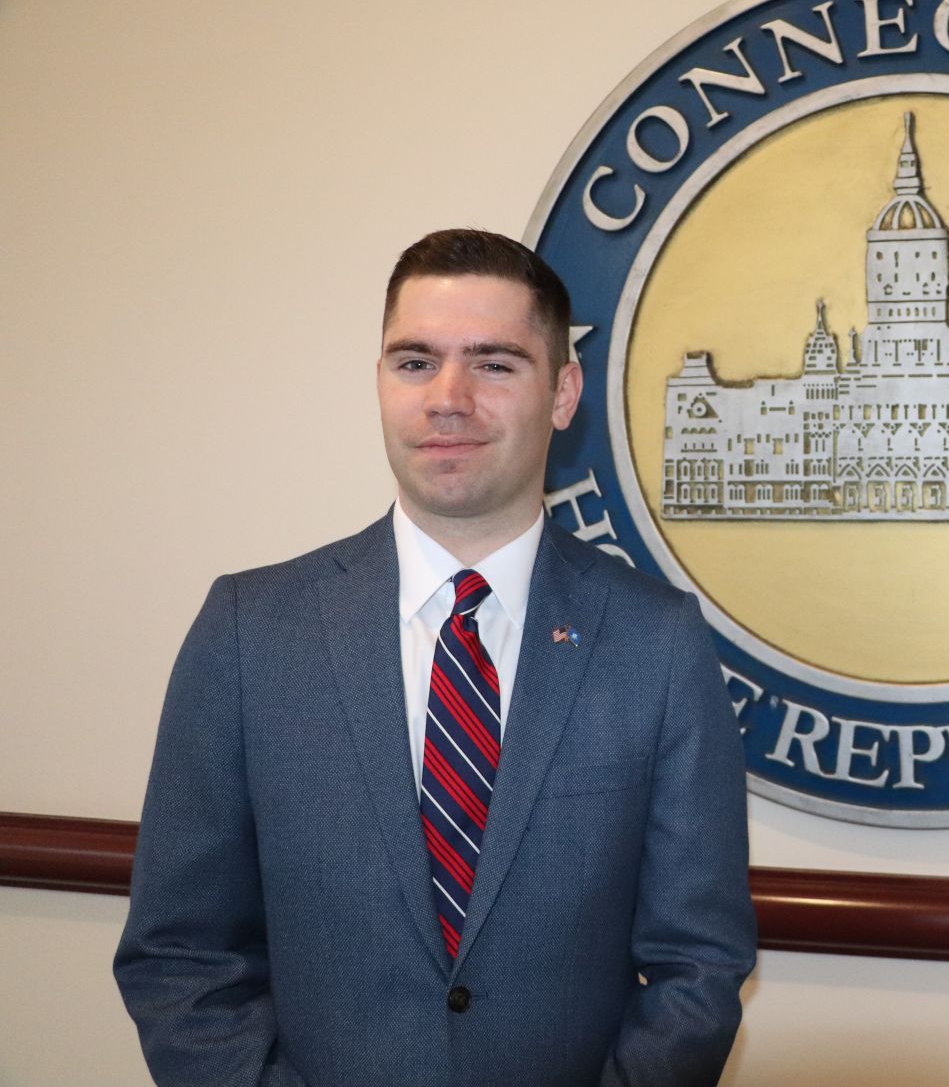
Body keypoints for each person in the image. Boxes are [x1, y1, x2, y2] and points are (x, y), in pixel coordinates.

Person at [114, 229, 756, 1087]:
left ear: (563, 392)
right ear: (380, 381)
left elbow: (698, 966)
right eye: (415, 362)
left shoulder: (658, 642)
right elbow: (180, 953)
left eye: (494, 364)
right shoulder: (249, 630)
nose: (447, 399)